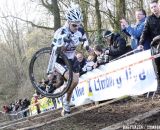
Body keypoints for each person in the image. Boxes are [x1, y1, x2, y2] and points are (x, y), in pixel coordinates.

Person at [49, 3, 90, 116]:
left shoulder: (79, 30)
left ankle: (66, 102)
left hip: (72, 59)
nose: (77, 27)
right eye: (74, 25)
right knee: (72, 80)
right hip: (60, 61)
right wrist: (62, 43)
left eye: (78, 24)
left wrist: (87, 46)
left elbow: (84, 38)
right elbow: (53, 51)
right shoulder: (60, 32)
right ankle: (64, 100)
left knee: (75, 82)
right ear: (68, 22)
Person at [138, 0, 160, 93]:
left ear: (158, 6)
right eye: (151, 7)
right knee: (158, 67)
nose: (153, 9)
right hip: (156, 46)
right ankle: (159, 86)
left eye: (155, 6)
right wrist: (141, 44)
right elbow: (145, 32)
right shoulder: (149, 19)